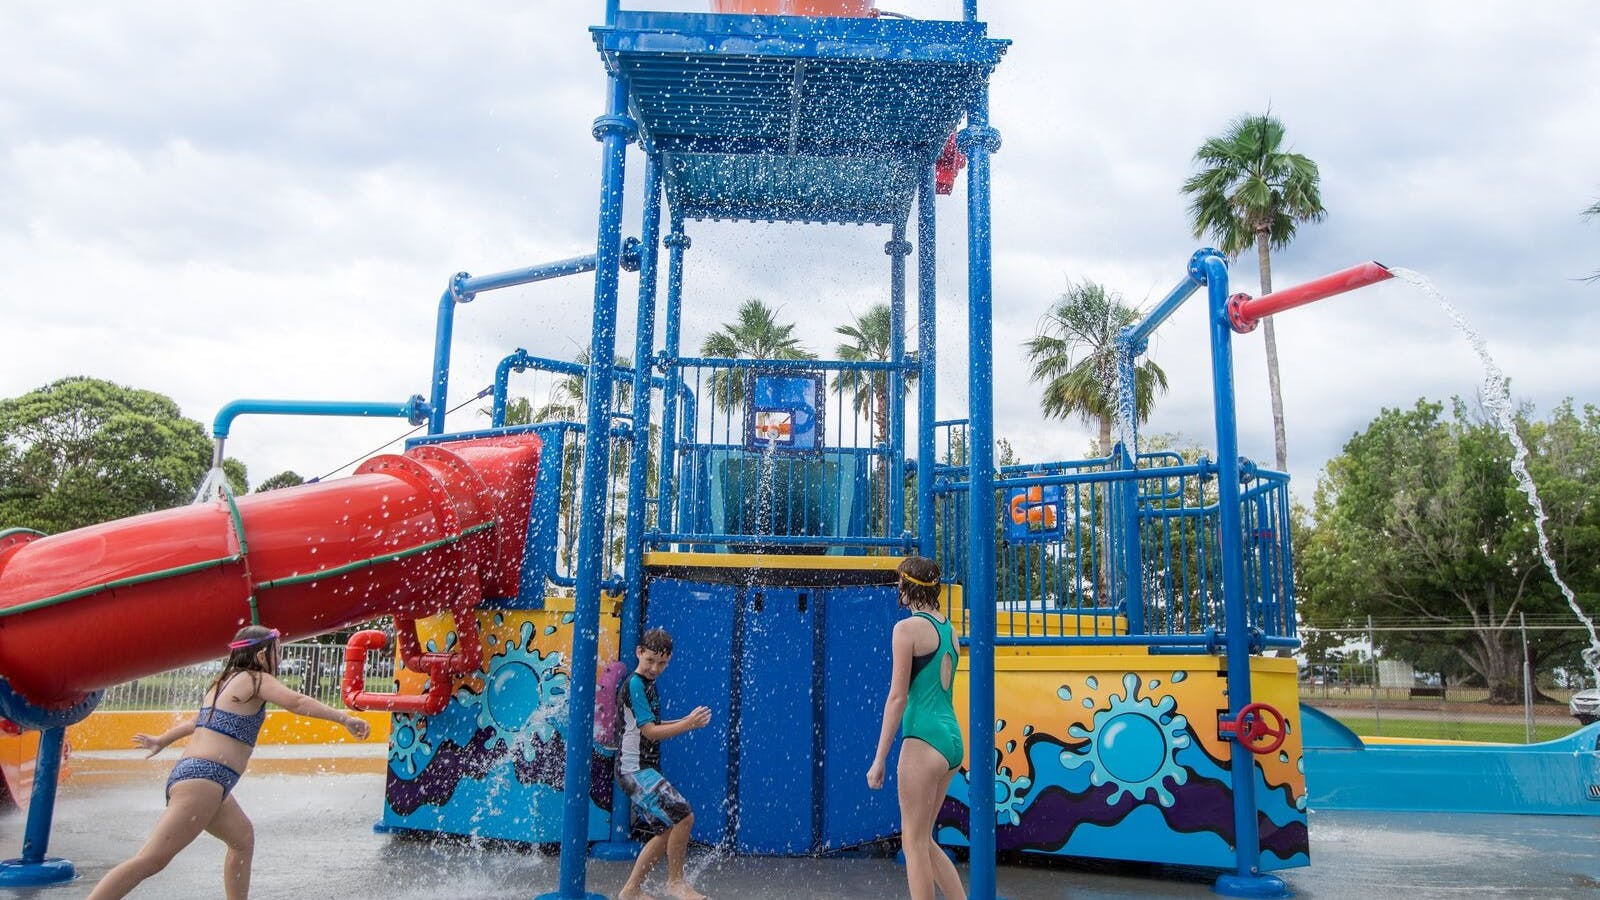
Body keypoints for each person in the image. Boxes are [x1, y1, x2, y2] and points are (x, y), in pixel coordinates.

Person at [87, 625, 370, 900]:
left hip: (203, 779)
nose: (279, 660)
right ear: (261, 656)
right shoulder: (256, 679)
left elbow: (196, 722)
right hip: (205, 781)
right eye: (277, 652)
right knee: (151, 860)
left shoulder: (221, 683)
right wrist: (344, 718)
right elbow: (296, 702)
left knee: (242, 839)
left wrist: (163, 739)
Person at [866, 556, 966, 900]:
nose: (897, 590)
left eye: (899, 583)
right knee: (924, 840)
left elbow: (897, 698)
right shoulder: (949, 629)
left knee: (912, 842)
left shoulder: (906, 630)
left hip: (923, 739)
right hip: (951, 740)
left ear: (908, 588)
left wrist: (879, 758)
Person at [615, 627, 712, 900]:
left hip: (641, 770)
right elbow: (650, 732)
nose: (655, 668)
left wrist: (685, 720)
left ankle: (631, 891)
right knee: (684, 815)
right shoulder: (635, 684)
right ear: (639, 652)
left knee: (668, 827)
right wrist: (687, 724)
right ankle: (675, 883)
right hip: (634, 770)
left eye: (662, 663)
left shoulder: (647, 684)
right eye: (650, 661)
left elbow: (651, 724)